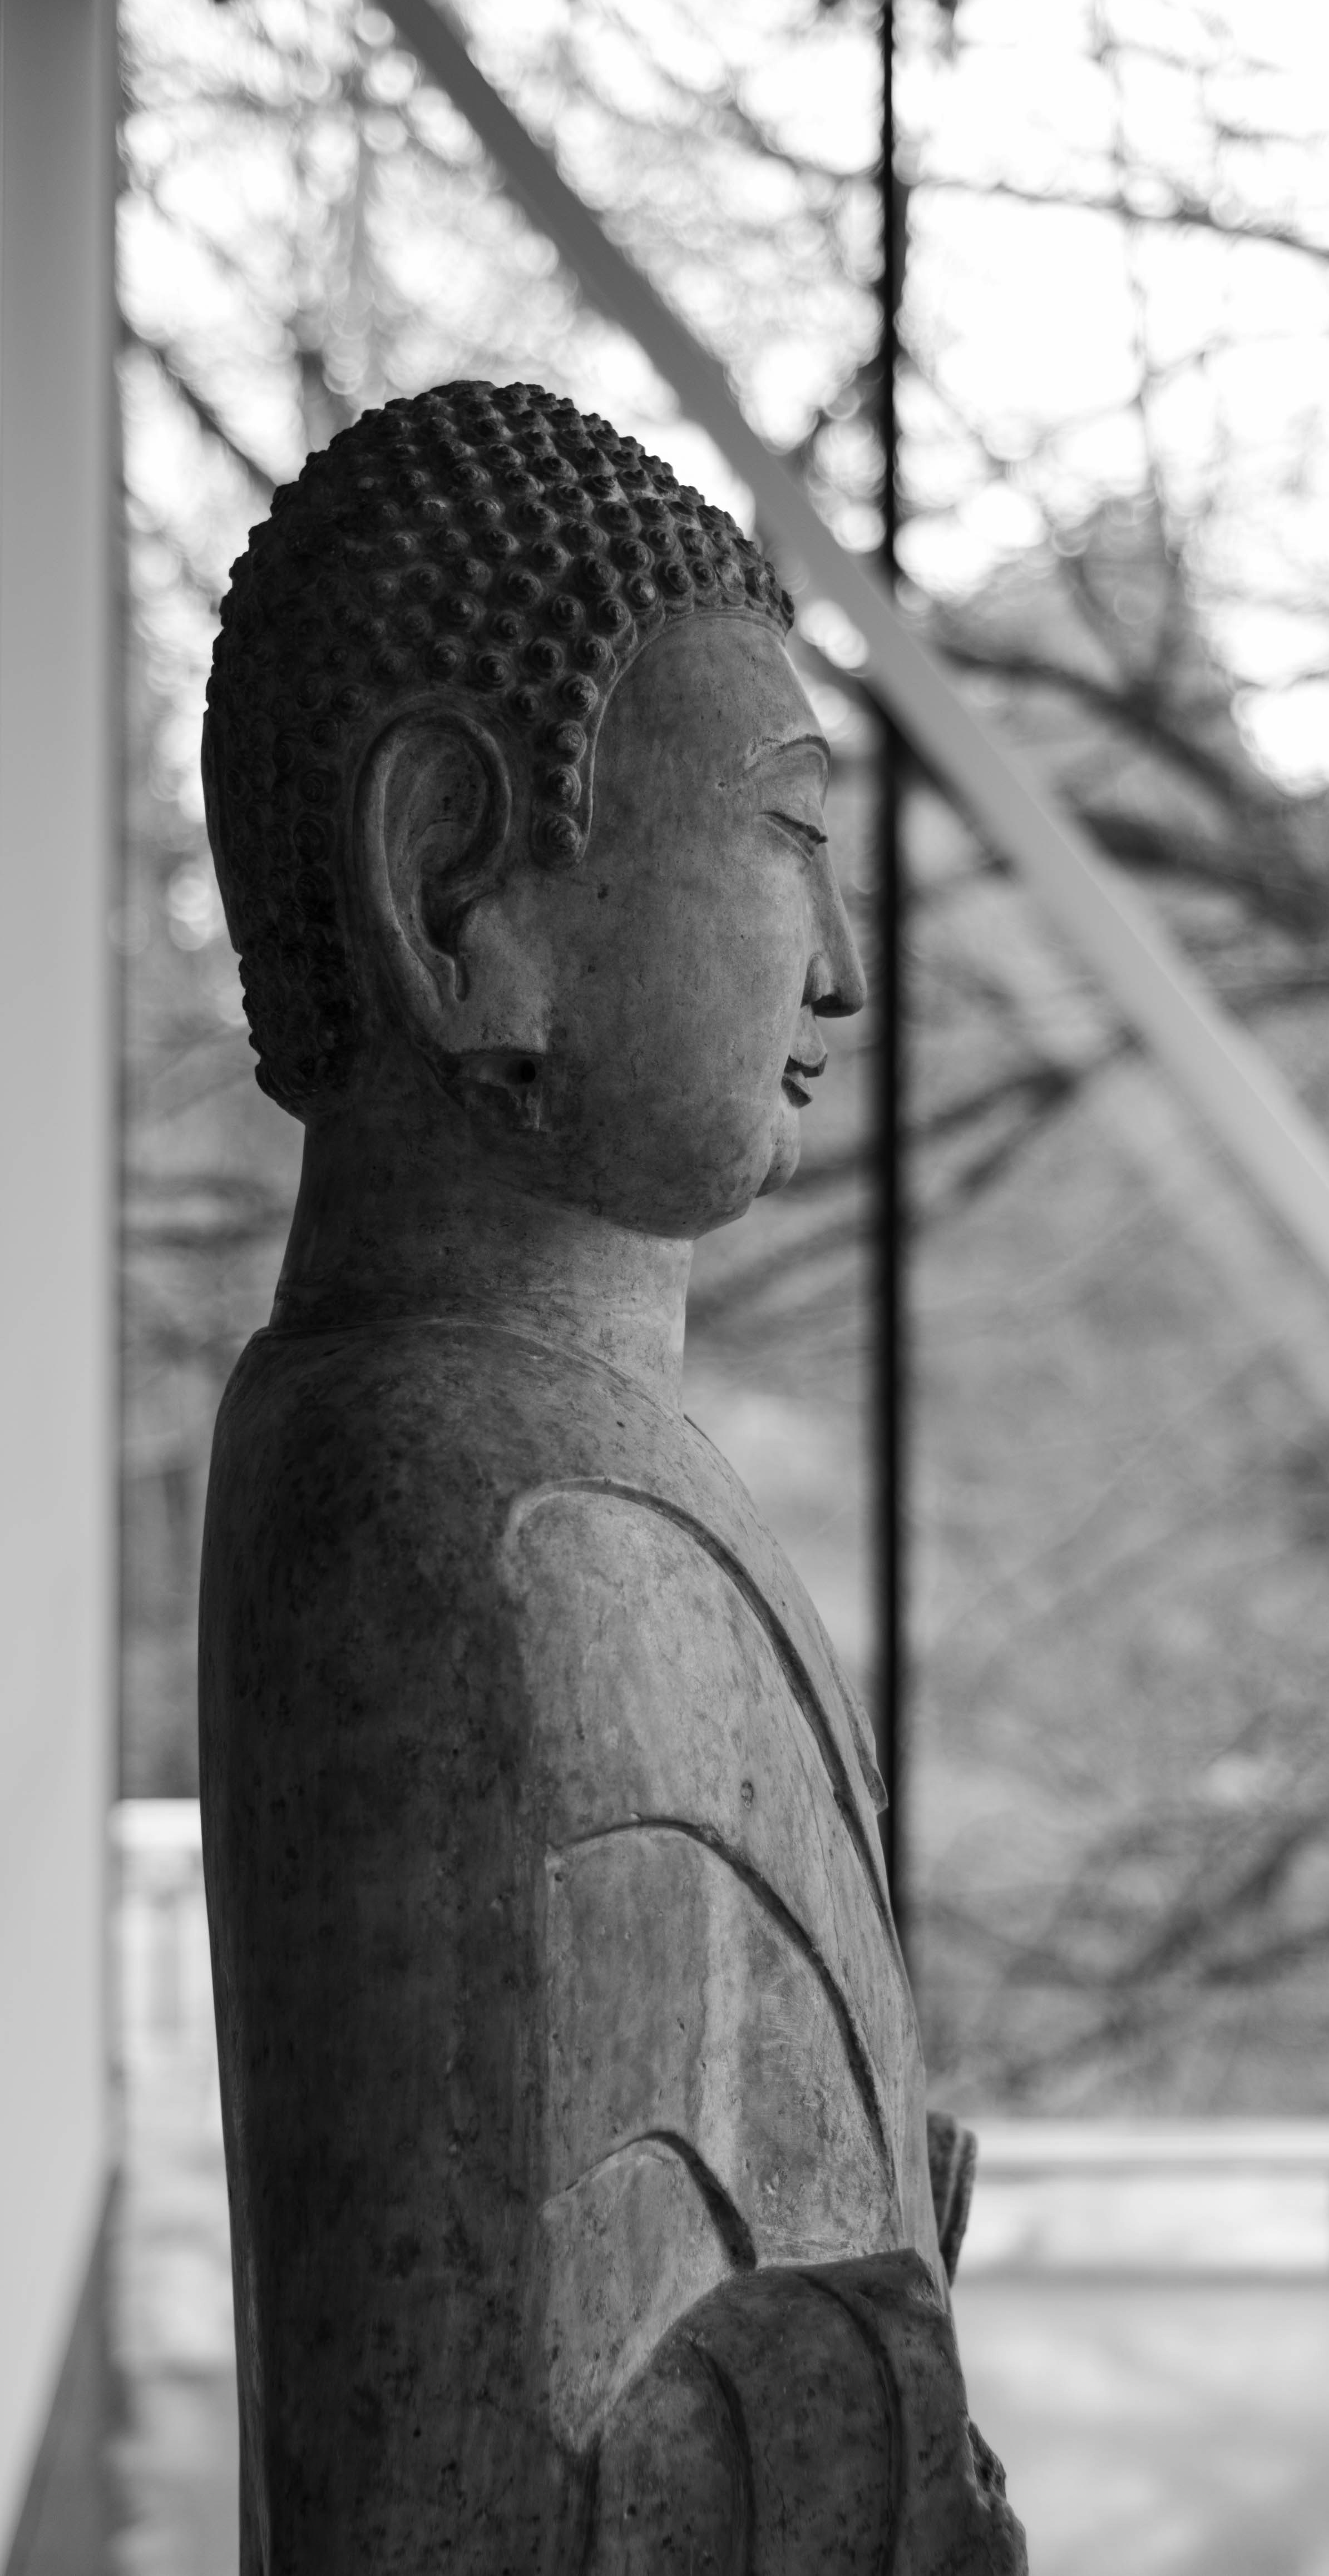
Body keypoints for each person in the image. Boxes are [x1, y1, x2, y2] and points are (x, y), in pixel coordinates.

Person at [197, 379, 1023, 2574]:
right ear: (460, 880)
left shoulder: (551, 1471)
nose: (841, 968)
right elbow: (457, 2482)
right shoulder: (440, 1510)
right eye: (783, 833)